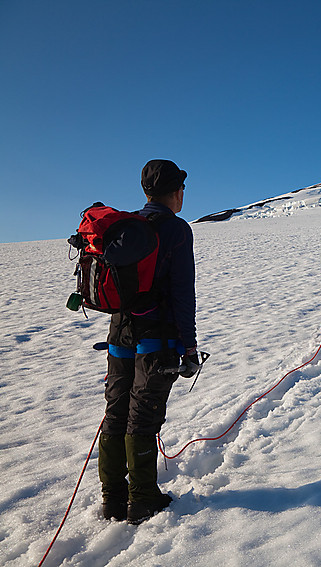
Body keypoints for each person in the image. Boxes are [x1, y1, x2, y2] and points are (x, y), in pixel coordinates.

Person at [98, 159, 199, 524]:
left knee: (116, 409)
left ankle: (113, 498)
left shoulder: (129, 226)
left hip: (119, 330)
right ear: (176, 192)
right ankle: (142, 499)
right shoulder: (176, 230)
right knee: (143, 412)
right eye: (182, 189)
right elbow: (181, 291)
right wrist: (188, 347)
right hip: (156, 335)